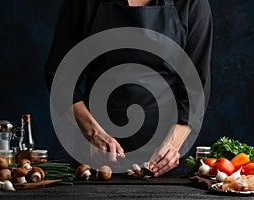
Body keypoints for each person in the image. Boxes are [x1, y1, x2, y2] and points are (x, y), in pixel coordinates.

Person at [45, 0, 212, 177]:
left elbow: (196, 88)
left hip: (165, 165)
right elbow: (61, 78)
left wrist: (172, 144)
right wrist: (92, 132)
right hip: (95, 162)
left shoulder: (191, 3)